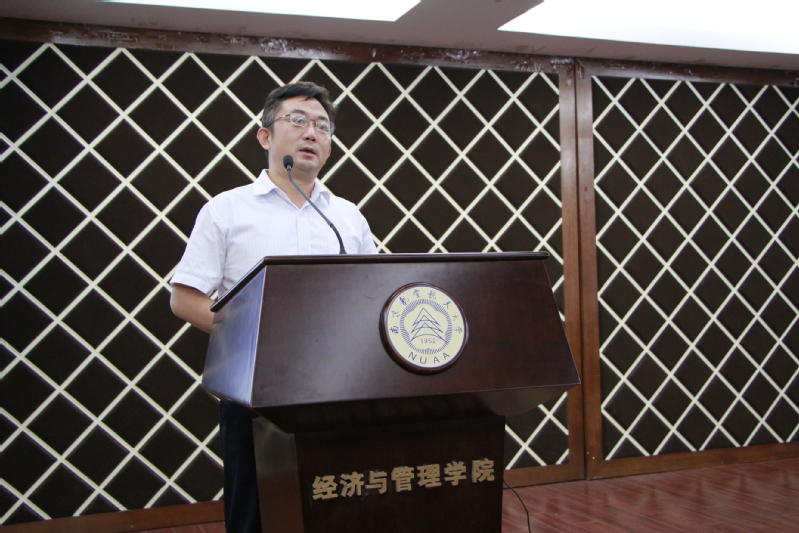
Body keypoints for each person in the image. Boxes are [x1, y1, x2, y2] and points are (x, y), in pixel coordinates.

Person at [170, 81, 378, 532]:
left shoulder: (347, 216)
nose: (311, 133)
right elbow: (185, 299)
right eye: (297, 121)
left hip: (339, 388)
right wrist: (259, 340)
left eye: (322, 126)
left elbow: (375, 292)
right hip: (257, 391)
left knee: (336, 506)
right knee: (257, 512)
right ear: (265, 136)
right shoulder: (226, 210)